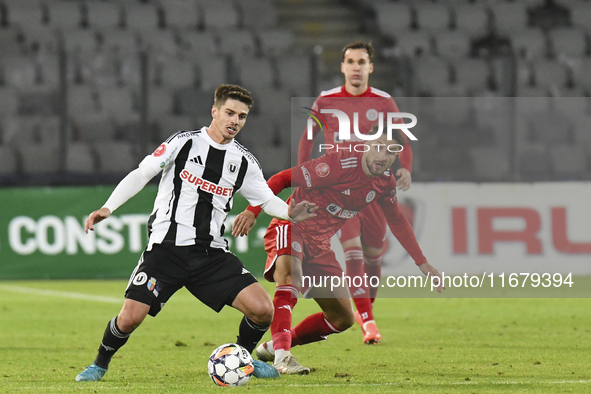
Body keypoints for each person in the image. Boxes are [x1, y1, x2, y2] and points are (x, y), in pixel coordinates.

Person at [75, 84, 317, 382]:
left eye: (242, 117)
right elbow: (142, 173)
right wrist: (108, 207)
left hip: (211, 254)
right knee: (129, 319)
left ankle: (241, 360)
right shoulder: (184, 143)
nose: (235, 121)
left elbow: (266, 199)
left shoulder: (243, 161)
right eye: (229, 113)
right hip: (165, 251)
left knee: (262, 310)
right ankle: (99, 364)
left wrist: (290, 213)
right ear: (214, 112)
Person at [232, 125, 444, 374]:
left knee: (343, 318)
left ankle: (271, 347)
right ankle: (282, 356)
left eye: (390, 151)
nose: (382, 156)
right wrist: (252, 210)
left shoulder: (384, 183)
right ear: (365, 145)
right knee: (290, 277)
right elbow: (282, 179)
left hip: (320, 245)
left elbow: (397, 220)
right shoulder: (336, 164)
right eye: (377, 147)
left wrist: (422, 262)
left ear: (396, 156)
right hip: (292, 227)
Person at [298, 41, 413, 344]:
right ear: (342, 67)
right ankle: (368, 322)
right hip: (338, 189)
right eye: (350, 61)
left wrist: (405, 168)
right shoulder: (326, 100)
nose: (356, 67)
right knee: (353, 250)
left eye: (362, 62)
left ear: (370, 67)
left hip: (373, 188)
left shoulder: (384, 101)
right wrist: (303, 176)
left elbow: (403, 141)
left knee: (374, 255)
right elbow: (307, 139)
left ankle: (366, 309)